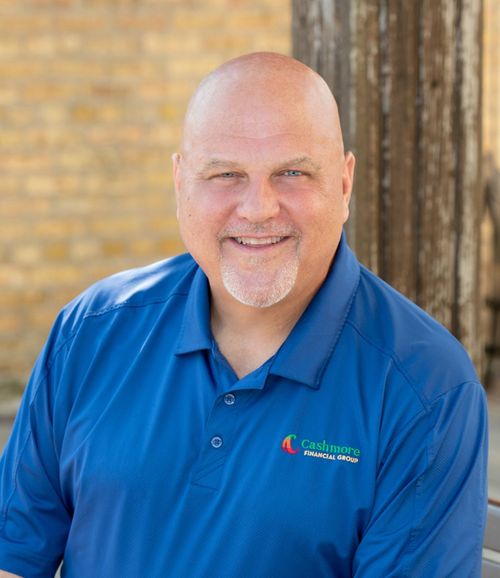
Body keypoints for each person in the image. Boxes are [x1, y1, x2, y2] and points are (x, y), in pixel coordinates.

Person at [0, 52, 488, 577]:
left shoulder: (426, 389)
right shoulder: (91, 331)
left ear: (344, 184)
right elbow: (13, 556)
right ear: (180, 182)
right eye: (226, 173)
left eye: (293, 172)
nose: (258, 208)